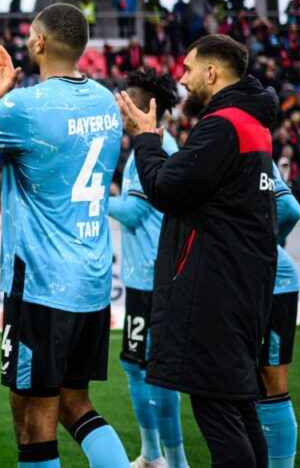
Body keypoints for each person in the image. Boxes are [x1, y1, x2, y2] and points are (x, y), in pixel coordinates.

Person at [0, 3, 130, 468]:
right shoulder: (104, 100)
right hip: (93, 281)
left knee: (32, 420)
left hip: (40, 283)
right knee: (74, 402)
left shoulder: (24, 105)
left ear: (39, 44)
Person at [116, 34, 278, 468]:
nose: (183, 79)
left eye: (188, 69)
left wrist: (146, 139)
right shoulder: (253, 124)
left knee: (218, 411)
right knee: (239, 405)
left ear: (212, 72)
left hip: (216, 291)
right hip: (244, 286)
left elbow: (166, 190)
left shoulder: (224, 124)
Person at [107, 68, 189, 468]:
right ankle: (155, 453)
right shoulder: (156, 143)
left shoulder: (153, 145)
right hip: (151, 271)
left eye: (129, 99)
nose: (121, 104)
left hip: (153, 275)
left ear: (148, 107)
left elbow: (136, 212)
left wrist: (90, 198)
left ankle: (170, 460)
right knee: (142, 365)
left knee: (147, 367)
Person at [258, 164, 300, 468]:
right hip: (247, 282)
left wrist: (260, 246)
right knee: (252, 382)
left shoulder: (251, 142)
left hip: (274, 282)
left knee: (271, 380)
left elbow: (288, 208)